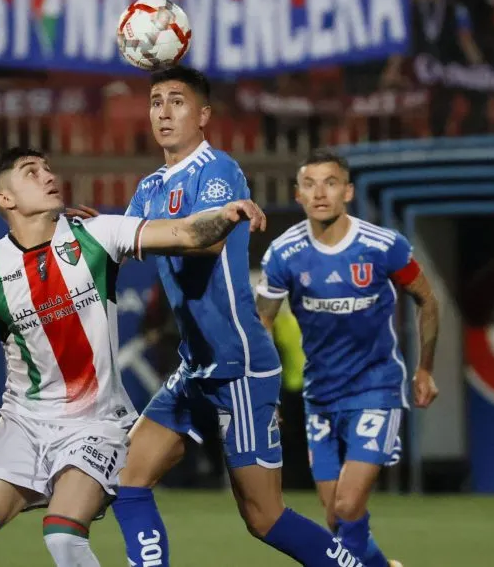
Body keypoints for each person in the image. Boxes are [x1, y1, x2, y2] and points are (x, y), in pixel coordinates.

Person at [0, 146, 268, 567]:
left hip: (95, 425)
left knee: (62, 535)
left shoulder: (96, 234)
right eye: (30, 172)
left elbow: (185, 233)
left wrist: (226, 213)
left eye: (46, 168)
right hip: (22, 422)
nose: (46, 176)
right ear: (5, 199)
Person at [109, 65, 371, 567]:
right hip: (195, 366)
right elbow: (120, 248)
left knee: (264, 517)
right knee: (128, 479)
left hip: (239, 365)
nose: (163, 111)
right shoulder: (148, 188)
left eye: (177, 101)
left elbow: (203, 243)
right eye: (156, 100)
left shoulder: (219, 169)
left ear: (203, 114)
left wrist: (135, 229)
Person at [254, 148, 442, 567]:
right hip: (320, 395)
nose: (320, 192)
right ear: (298, 194)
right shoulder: (284, 254)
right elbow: (262, 321)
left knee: (349, 503)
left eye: (331, 182)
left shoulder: (382, 247)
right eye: (310, 183)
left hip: (375, 388)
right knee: (337, 521)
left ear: (348, 192)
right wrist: (266, 391)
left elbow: (427, 300)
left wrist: (424, 368)